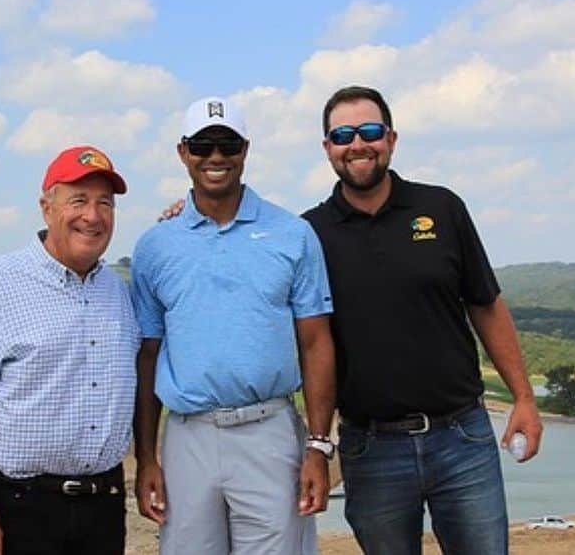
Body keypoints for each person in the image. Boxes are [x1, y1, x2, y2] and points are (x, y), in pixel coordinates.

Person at [301, 85, 543, 554]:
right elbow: (309, 341)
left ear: (390, 139)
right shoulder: (309, 233)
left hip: (463, 437)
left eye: (369, 131)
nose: (357, 144)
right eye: (343, 135)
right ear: (328, 147)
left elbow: (486, 305)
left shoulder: (442, 208)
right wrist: (187, 209)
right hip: (370, 449)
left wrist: (525, 398)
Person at [131, 96, 337, 555]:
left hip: (269, 430)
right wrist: (146, 457)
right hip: (188, 435)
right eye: (203, 145)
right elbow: (147, 354)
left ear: (246, 150)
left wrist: (319, 447)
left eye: (228, 144)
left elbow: (316, 342)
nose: (216, 157)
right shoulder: (155, 246)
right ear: (183, 152)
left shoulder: (292, 235)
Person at [0, 145, 139, 555]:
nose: (93, 216)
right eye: (78, 200)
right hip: (21, 508)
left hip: (103, 505)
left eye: (105, 203)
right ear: (46, 208)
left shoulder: (118, 292)